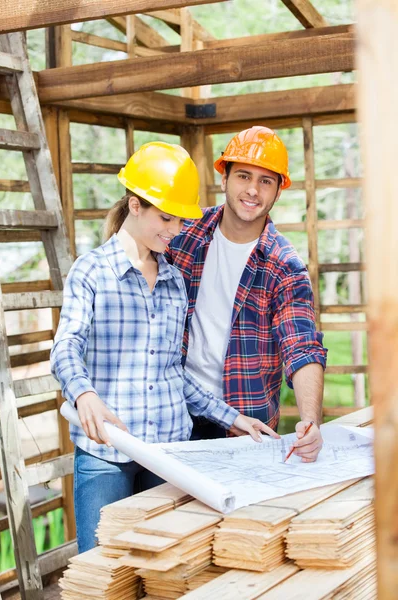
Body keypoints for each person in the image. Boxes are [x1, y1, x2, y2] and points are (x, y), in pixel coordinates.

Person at [51, 141, 278, 553]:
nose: (175, 231)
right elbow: (66, 345)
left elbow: (175, 373)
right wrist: (83, 394)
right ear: (135, 205)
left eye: (178, 220)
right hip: (107, 453)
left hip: (169, 456)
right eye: (166, 218)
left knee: (163, 576)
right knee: (101, 574)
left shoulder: (174, 281)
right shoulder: (92, 272)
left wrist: (232, 418)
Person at [165, 126, 328, 462]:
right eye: (243, 176)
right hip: (174, 412)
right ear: (224, 179)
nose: (253, 190)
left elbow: (302, 346)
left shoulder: (285, 267)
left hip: (243, 426)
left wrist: (311, 421)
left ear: (278, 191)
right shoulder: (184, 235)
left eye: (266, 181)